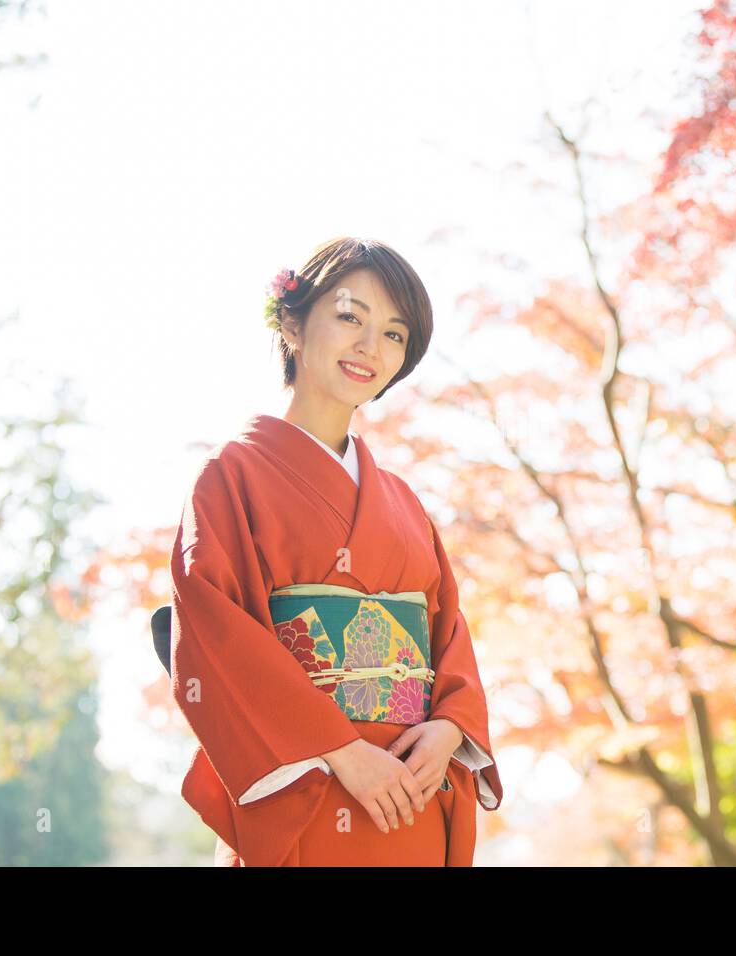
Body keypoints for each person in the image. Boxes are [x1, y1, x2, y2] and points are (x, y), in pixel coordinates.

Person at [169, 237, 502, 866]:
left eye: (394, 334)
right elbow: (216, 639)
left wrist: (450, 727)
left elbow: (448, 633)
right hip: (308, 787)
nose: (370, 348)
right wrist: (345, 753)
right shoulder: (230, 476)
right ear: (292, 324)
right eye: (351, 317)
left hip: (410, 792)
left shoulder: (403, 500)